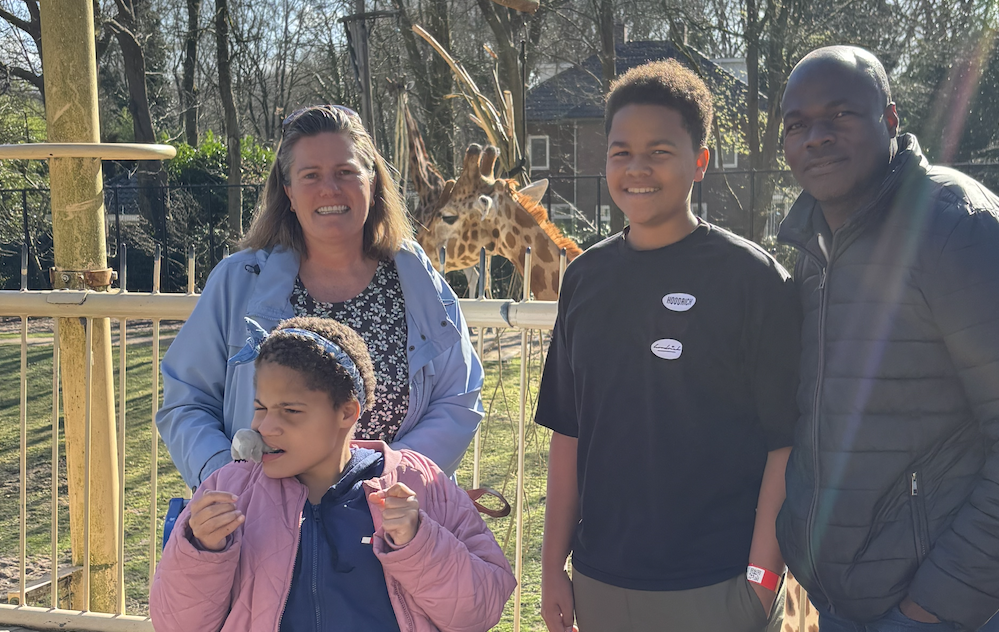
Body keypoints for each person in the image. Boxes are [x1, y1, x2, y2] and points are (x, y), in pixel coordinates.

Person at [774, 45, 999, 632]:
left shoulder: (961, 231)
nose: (814, 137)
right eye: (797, 124)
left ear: (891, 121)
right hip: (841, 598)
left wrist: (933, 609)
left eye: (840, 115)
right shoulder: (818, 249)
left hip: (929, 609)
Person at [537, 59, 800, 632]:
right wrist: (552, 565)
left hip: (718, 586)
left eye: (659, 151)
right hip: (602, 584)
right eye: (621, 151)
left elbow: (786, 445)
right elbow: (569, 431)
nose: (637, 168)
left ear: (699, 161)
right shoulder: (583, 278)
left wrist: (760, 583)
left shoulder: (753, 281)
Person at [157, 105, 482, 489]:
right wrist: (229, 481)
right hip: (268, 531)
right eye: (311, 175)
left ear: (373, 183)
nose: (330, 188)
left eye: (345, 172)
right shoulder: (237, 283)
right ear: (289, 193)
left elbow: (457, 397)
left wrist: (391, 481)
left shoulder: (417, 279)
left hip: (394, 526)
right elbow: (187, 402)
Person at [150, 316, 514, 632]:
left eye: (290, 411)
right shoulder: (230, 489)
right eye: (260, 408)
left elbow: (480, 612)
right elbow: (177, 624)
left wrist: (420, 543)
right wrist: (202, 550)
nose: (266, 426)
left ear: (346, 413)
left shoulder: (418, 484)